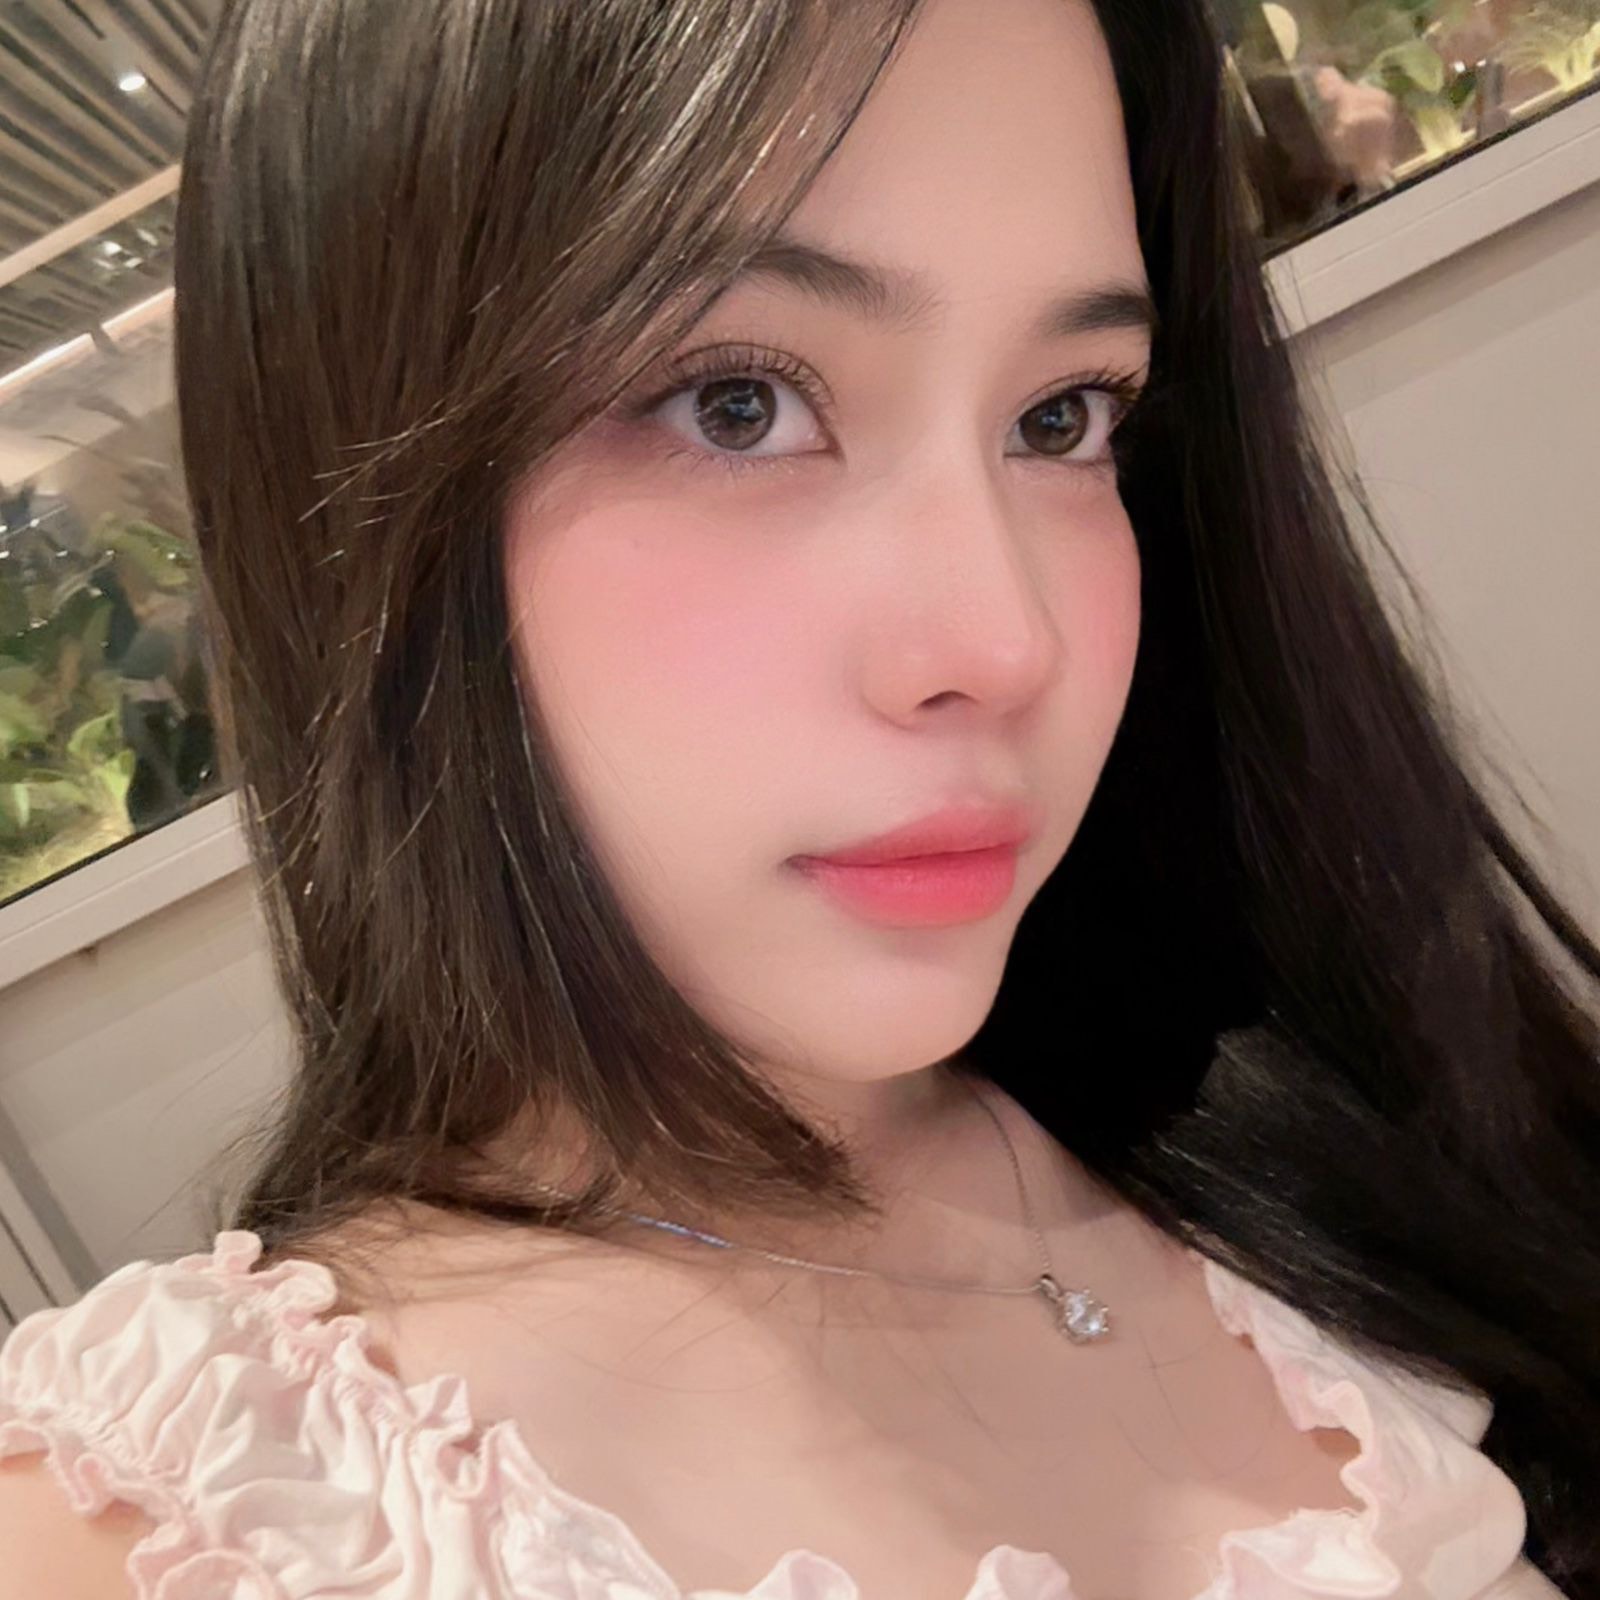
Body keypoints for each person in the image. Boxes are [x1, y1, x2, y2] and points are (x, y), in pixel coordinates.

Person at [1, 0, 1596, 1594]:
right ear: (343, 502)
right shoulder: (174, 1525)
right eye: (737, 404)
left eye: (1062, 417)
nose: (1005, 643)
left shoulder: (1281, 1107)